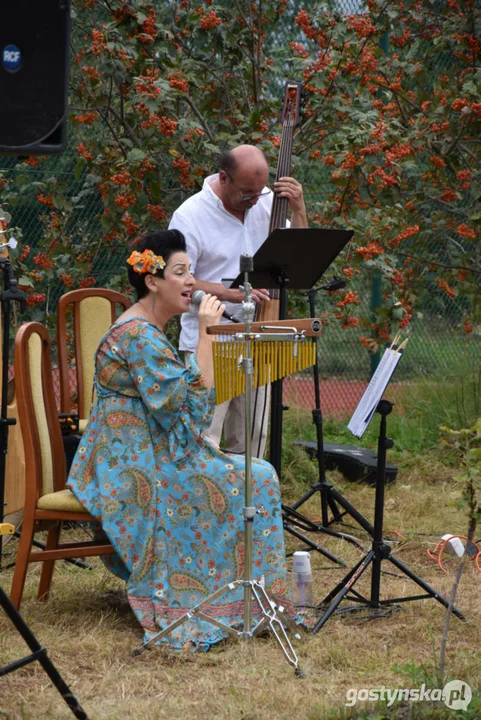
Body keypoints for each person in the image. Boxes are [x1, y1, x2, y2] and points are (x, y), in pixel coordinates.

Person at [67, 229, 293, 650]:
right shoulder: (138, 335)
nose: (191, 281)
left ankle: (243, 598)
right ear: (152, 281)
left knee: (253, 471)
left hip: (143, 452)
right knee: (255, 476)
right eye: (179, 272)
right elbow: (190, 416)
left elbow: (179, 412)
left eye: (191, 271)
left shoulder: (148, 329)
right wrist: (207, 331)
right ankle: (224, 602)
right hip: (131, 468)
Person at [168, 144, 307, 458]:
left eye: (259, 192)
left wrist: (298, 209)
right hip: (210, 341)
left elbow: (296, 259)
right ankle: (204, 505)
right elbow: (176, 282)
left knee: (253, 438)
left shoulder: (266, 202)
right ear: (223, 178)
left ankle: (248, 505)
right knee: (206, 437)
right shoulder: (189, 216)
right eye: (247, 192)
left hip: (258, 336)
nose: (255, 200)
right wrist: (230, 292)